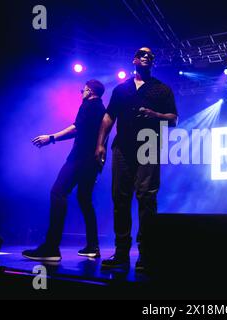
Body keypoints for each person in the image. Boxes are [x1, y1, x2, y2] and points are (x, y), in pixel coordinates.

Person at [95, 47, 178, 272]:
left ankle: (147, 253)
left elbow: (174, 119)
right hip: (122, 147)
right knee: (120, 198)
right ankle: (121, 253)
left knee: (146, 197)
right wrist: (100, 143)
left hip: (149, 145)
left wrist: (156, 115)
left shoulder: (161, 89)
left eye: (151, 56)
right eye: (142, 54)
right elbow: (109, 116)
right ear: (134, 60)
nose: (147, 57)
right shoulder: (121, 89)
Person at [22, 80, 106, 261]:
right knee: (85, 200)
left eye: (82, 89)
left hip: (79, 158)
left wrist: (51, 138)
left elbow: (76, 129)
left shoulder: (88, 106)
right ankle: (93, 246)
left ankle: (51, 247)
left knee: (58, 192)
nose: (81, 92)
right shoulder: (101, 108)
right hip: (92, 162)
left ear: (89, 90)